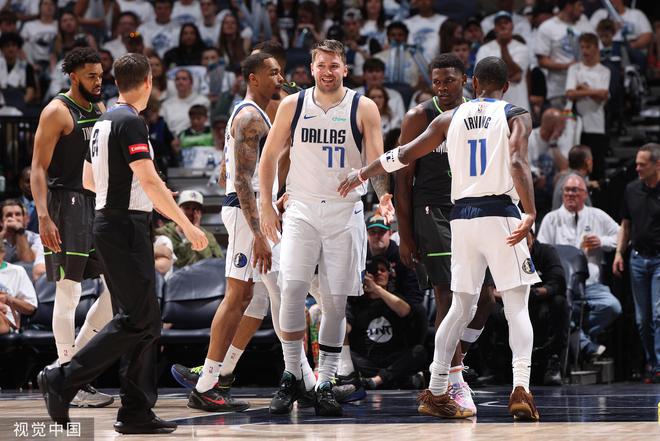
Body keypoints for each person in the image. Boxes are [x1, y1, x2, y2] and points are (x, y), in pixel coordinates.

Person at [340, 56, 542, 421]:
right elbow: (517, 161)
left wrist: (363, 173)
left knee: (459, 307)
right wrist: (529, 211)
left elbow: (404, 154)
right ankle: (521, 387)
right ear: (506, 86)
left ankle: (435, 390)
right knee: (516, 305)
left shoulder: (449, 118)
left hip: (461, 218)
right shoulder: (515, 114)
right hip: (500, 214)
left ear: (473, 83)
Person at [37, 52, 208, 434]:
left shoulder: (102, 121)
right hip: (124, 227)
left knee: (144, 320)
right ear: (148, 82)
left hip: (110, 222)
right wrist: (185, 225)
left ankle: (135, 410)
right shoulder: (130, 121)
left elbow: (89, 179)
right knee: (139, 319)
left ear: (117, 81)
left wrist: (138, 193)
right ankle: (62, 377)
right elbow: (146, 180)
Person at [259, 39, 394, 417]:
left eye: (334, 65)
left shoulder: (363, 107)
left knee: (335, 302)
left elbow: (377, 160)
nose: (328, 71)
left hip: (344, 211)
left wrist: (384, 196)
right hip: (301, 207)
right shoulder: (293, 104)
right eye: (321, 65)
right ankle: (291, 374)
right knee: (291, 290)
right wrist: (267, 203)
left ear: (345, 69)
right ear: (311, 68)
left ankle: (325, 381)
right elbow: (268, 157)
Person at [393, 53, 495, 416]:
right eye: (436, 82)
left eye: (449, 81)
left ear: (465, 80)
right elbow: (402, 178)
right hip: (431, 211)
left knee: (486, 298)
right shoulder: (418, 117)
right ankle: (454, 380)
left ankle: (449, 356)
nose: (442, 88)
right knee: (448, 295)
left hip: (470, 209)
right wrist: (405, 234)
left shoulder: (476, 114)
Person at [183, 52, 285, 413]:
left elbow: (236, 172)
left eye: (280, 72)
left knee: (256, 297)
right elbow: (241, 180)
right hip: (246, 214)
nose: (279, 78)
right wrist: (258, 233)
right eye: (273, 72)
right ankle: (206, 384)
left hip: (253, 211)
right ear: (253, 78)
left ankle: (220, 375)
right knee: (237, 295)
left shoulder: (257, 113)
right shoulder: (249, 116)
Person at [30, 47, 115, 408]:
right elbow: (37, 168)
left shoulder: (99, 108)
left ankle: (66, 371)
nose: (98, 82)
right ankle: (69, 379)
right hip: (65, 204)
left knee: (115, 292)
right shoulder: (56, 111)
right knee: (69, 293)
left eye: (101, 75)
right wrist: (43, 216)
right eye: (91, 76)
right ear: (73, 76)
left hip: (96, 202)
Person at [537, 174, 622, 360]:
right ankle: (583, 343)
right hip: (562, 287)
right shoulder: (551, 219)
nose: (570, 194)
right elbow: (540, 251)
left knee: (612, 306)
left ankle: (576, 336)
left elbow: (621, 235)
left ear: (585, 194)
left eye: (575, 190)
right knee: (557, 308)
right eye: (566, 190)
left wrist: (602, 241)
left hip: (591, 285)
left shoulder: (597, 215)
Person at [613, 144, 660, 383]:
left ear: (657, 164)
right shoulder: (631, 189)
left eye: (642, 164)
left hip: (659, 259)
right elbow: (626, 225)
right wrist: (619, 253)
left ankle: (659, 365)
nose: (637, 168)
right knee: (643, 320)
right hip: (638, 259)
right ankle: (653, 363)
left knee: (659, 314)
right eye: (637, 163)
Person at [346, 256, 427, 389]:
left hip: (393, 358)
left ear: (389, 274)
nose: (378, 273)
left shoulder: (396, 298)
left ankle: (377, 381)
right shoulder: (356, 303)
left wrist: (376, 289)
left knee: (419, 352)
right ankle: (395, 380)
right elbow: (346, 329)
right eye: (374, 271)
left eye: (382, 270)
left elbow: (405, 311)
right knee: (345, 353)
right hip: (368, 361)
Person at [526, 229, 569, 385]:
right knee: (487, 304)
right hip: (512, 300)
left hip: (539, 299)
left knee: (559, 302)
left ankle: (554, 361)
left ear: (532, 237)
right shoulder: (506, 253)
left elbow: (558, 282)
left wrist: (534, 293)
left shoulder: (546, 252)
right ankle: (492, 368)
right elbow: (493, 287)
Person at [565, 33, 610, 181]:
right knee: (576, 165)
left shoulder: (604, 71)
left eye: (588, 47)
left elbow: (603, 96)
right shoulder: (574, 69)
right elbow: (570, 93)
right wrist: (594, 92)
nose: (584, 51)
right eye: (582, 47)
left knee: (597, 166)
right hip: (575, 124)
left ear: (596, 48)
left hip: (596, 124)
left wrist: (582, 88)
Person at [534, 0, 594, 108]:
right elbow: (542, 61)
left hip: (586, 89)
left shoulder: (586, 25)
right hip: (560, 91)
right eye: (579, 5)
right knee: (564, 119)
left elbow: (597, 54)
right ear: (568, 6)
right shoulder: (547, 27)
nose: (582, 9)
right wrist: (568, 66)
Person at [475, 11, 530, 111]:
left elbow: (514, 72)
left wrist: (503, 46)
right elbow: (480, 76)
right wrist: (511, 75)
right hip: (491, 107)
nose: (502, 26)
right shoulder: (484, 49)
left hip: (518, 106)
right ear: (495, 28)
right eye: (499, 23)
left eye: (506, 22)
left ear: (512, 26)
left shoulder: (522, 48)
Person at [155, 190, 223, 268]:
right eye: (187, 208)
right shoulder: (164, 233)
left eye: (195, 209)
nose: (190, 212)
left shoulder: (208, 236)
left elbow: (216, 262)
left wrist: (196, 230)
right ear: (178, 209)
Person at [0, 200, 45, 280]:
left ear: (25, 219)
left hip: (27, 281)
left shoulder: (37, 239)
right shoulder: (1, 237)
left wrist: (20, 231)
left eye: (18, 214)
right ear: (1, 222)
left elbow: (27, 262)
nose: (14, 218)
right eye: (9, 215)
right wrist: (3, 235)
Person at [160, 68, 210, 136]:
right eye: (177, 79)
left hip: (197, 137)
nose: (180, 82)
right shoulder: (166, 104)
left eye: (184, 79)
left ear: (191, 82)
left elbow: (207, 123)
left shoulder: (203, 101)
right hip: (172, 138)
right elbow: (163, 126)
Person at [552, 145, 595, 210]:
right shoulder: (577, 185)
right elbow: (587, 214)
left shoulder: (562, 178)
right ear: (588, 162)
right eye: (592, 160)